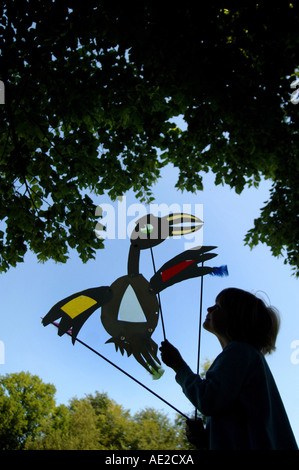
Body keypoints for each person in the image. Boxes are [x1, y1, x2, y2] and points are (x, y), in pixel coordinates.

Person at [159, 287, 298, 450]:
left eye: (218, 306)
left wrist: (178, 365)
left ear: (236, 318)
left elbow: (208, 399)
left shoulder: (240, 352)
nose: (209, 309)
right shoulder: (246, 357)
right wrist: (205, 441)